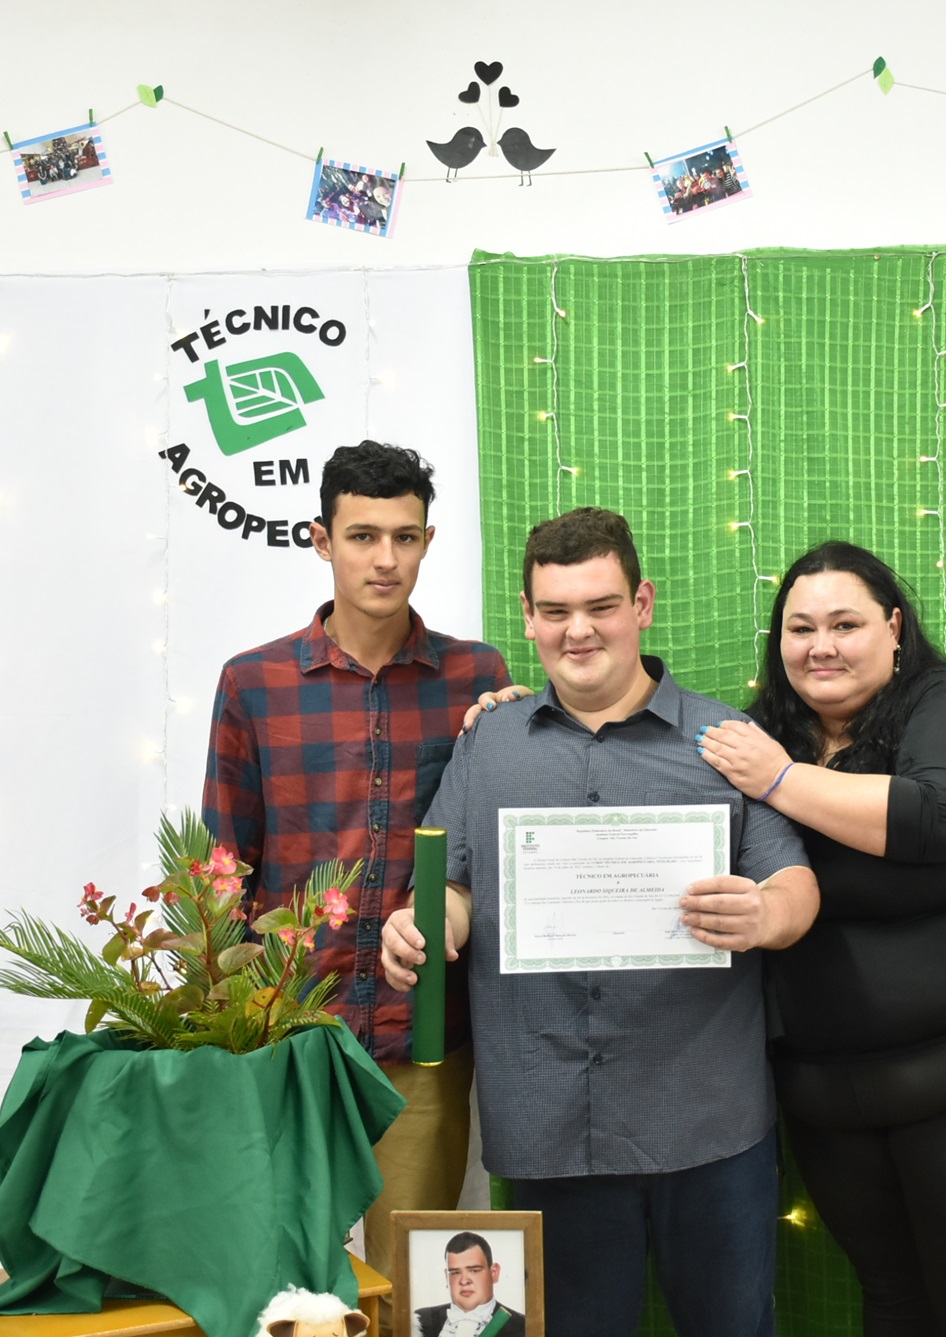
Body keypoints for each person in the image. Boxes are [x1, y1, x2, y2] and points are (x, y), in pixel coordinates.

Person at [380, 507, 820, 1337]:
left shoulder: (725, 740)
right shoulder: (488, 743)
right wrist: (424, 923)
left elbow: (794, 882)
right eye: (555, 610)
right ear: (528, 616)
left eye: (601, 606)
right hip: (548, 1125)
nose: (577, 631)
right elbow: (454, 887)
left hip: (709, 1120)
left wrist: (765, 912)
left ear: (641, 604)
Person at [694, 540, 946, 1337]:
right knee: (894, 1302)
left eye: (846, 623)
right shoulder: (765, 733)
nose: (822, 645)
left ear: (895, 627)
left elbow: (940, 816)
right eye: (801, 628)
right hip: (832, 1089)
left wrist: (779, 780)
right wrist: (513, 717)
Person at [202, 441, 520, 1307]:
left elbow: (491, 843)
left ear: (428, 542)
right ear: (321, 539)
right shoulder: (254, 683)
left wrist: (516, 727)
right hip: (288, 1033)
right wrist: (224, 1035)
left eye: (405, 537)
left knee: (415, 1287)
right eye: (363, 535)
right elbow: (224, 869)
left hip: (421, 1038)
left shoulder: (478, 677)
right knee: (276, 1286)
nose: (386, 559)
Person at [414, 1232, 528, 1337]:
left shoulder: (524, 1326)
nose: (464, 1281)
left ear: (494, 1273)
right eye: (455, 1272)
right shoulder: (419, 1320)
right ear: (446, 1277)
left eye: (474, 1271)